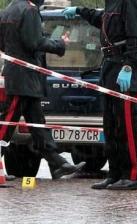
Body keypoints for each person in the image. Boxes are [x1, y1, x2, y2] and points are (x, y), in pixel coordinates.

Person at [63, 0, 137, 190]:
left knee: (126, 126)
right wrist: (80, 11)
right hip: (110, 65)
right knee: (111, 127)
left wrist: (129, 66)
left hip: (125, 66)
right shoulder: (113, 2)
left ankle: (133, 176)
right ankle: (115, 173)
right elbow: (102, 19)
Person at [0, 0, 86, 179]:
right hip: (23, 77)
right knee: (7, 122)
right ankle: (57, 163)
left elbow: (4, 43)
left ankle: (57, 163)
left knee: (37, 123)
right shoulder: (29, 10)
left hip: (19, 74)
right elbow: (34, 42)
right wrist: (59, 44)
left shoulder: (9, 8)